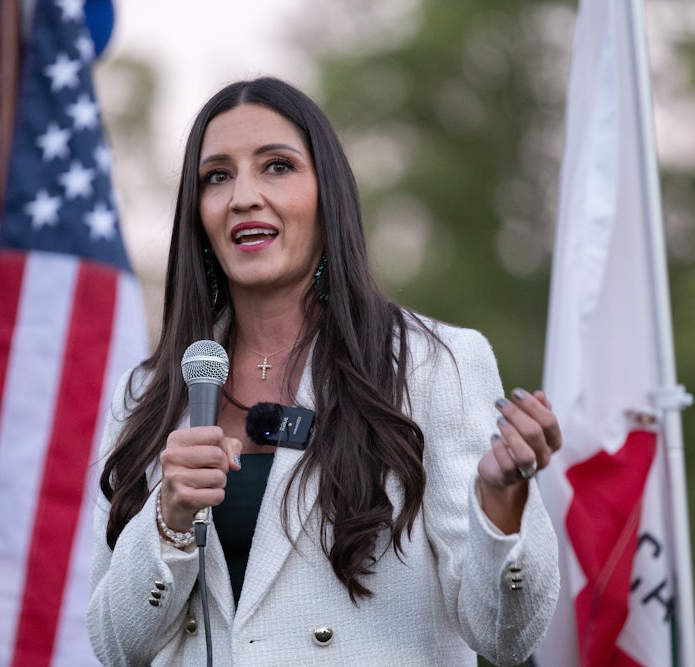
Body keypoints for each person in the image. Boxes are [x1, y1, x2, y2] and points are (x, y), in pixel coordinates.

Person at [86, 76, 561, 665]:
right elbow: (112, 646)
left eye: (277, 166)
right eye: (218, 176)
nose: (244, 197)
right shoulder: (147, 395)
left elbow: (506, 637)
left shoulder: (435, 365)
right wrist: (169, 520)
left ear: (326, 193)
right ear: (199, 214)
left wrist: (501, 499)